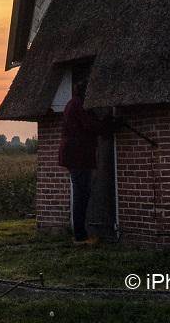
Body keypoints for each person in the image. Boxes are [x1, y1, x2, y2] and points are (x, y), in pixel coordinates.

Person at [58, 78, 121, 246]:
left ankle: (81, 234)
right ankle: (80, 236)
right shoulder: (78, 105)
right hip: (78, 157)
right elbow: (89, 125)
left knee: (82, 193)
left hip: (76, 156)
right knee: (81, 194)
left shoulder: (73, 104)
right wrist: (107, 125)